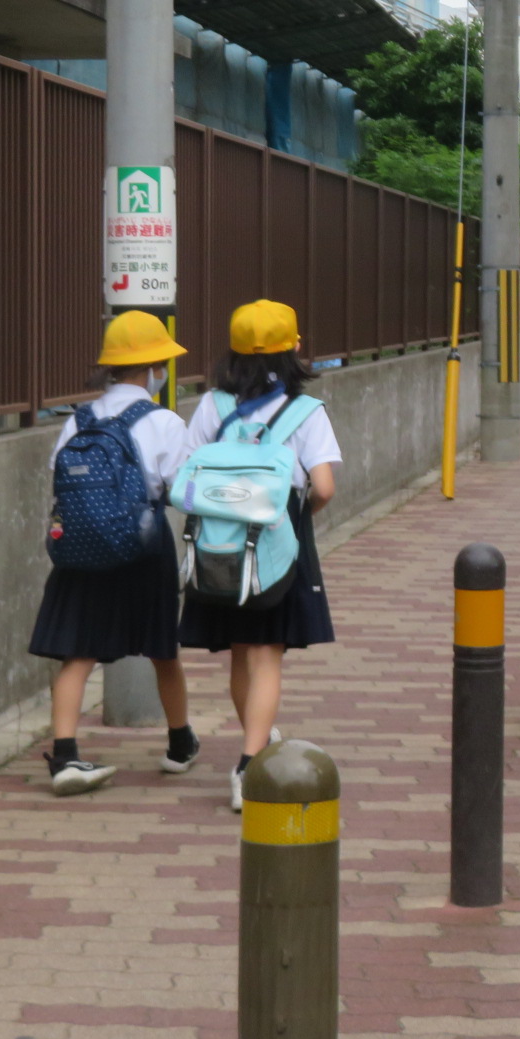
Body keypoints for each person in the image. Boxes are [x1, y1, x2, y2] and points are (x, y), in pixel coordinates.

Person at [177, 300, 341, 812]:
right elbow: (324, 486)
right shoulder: (305, 412)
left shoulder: (212, 406)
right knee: (268, 654)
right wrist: (300, 513)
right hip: (278, 536)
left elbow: (187, 477)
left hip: (217, 543)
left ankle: (257, 741)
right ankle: (250, 767)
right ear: (295, 349)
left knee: (241, 649)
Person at [30, 310, 200, 796]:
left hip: (80, 548)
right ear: (151, 370)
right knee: (162, 650)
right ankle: (179, 743)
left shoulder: (79, 420)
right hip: (143, 548)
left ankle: (65, 756)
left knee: (77, 653)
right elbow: (179, 487)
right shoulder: (165, 421)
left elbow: (57, 473)